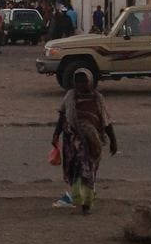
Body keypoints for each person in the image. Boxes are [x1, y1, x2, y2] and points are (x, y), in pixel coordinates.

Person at [50, 68, 117, 214]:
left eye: (83, 81)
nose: (80, 84)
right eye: (77, 81)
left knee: (88, 170)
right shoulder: (70, 96)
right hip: (72, 140)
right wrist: (56, 135)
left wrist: (113, 140)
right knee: (76, 169)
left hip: (92, 142)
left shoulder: (97, 98)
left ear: (90, 81)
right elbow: (62, 116)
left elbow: (105, 120)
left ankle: (87, 203)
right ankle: (78, 199)